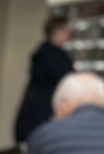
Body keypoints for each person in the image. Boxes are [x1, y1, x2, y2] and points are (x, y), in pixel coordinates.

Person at [14, 15, 75, 145]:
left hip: (33, 119)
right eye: (66, 31)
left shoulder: (42, 54)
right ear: (57, 32)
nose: (69, 35)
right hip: (45, 117)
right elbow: (67, 83)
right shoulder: (56, 58)